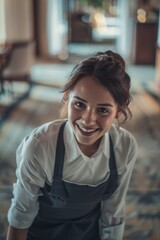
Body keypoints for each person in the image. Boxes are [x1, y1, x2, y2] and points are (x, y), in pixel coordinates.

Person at [6, 50, 137, 240]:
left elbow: (113, 213)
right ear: (66, 98)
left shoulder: (125, 146)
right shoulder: (40, 146)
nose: (88, 120)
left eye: (102, 110)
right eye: (79, 105)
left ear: (118, 111)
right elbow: (21, 213)